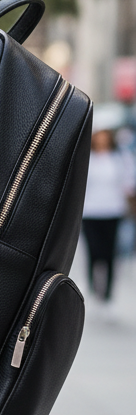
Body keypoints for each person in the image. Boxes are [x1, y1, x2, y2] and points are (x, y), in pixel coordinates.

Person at [82, 128, 135, 302]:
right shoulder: (87, 159)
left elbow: (129, 183)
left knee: (110, 253)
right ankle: (92, 288)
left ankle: (108, 293)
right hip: (90, 212)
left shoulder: (120, 159)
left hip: (112, 211)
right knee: (93, 251)